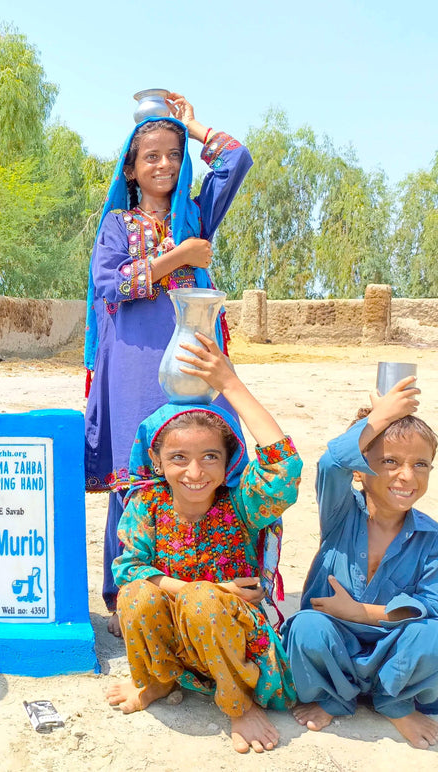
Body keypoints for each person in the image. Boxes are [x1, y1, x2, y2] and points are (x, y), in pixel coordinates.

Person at [83, 93, 253, 637]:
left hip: (193, 358)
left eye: (173, 154)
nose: (164, 165)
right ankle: (126, 594)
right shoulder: (116, 223)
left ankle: (198, 579)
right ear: (130, 169)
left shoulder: (195, 213)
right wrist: (181, 256)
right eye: (151, 156)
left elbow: (236, 158)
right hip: (132, 360)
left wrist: (193, 125)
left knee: (201, 462)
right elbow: (113, 284)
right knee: (134, 477)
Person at [106, 331, 301, 754]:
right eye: (179, 458)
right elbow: (129, 569)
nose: (195, 472)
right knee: (135, 596)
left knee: (203, 602)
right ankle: (158, 680)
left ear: (229, 460)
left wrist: (230, 383)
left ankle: (239, 704)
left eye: (210, 456)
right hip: (181, 637)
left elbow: (285, 468)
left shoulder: (243, 504)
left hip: (236, 640)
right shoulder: (148, 504)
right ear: (156, 460)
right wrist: (208, 588)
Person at [282, 379, 438, 750]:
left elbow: (431, 607)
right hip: (334, 645)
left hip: (396, 652)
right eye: (389, 461)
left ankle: (394, 701)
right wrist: (379, 417)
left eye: (421, 464)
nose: (407, 476)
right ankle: (334, 698)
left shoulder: (431, 537)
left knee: (432, 635)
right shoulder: (340, 514)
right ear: (358, 471)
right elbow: (329, 463)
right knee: (306, 629)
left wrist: (362, 611)